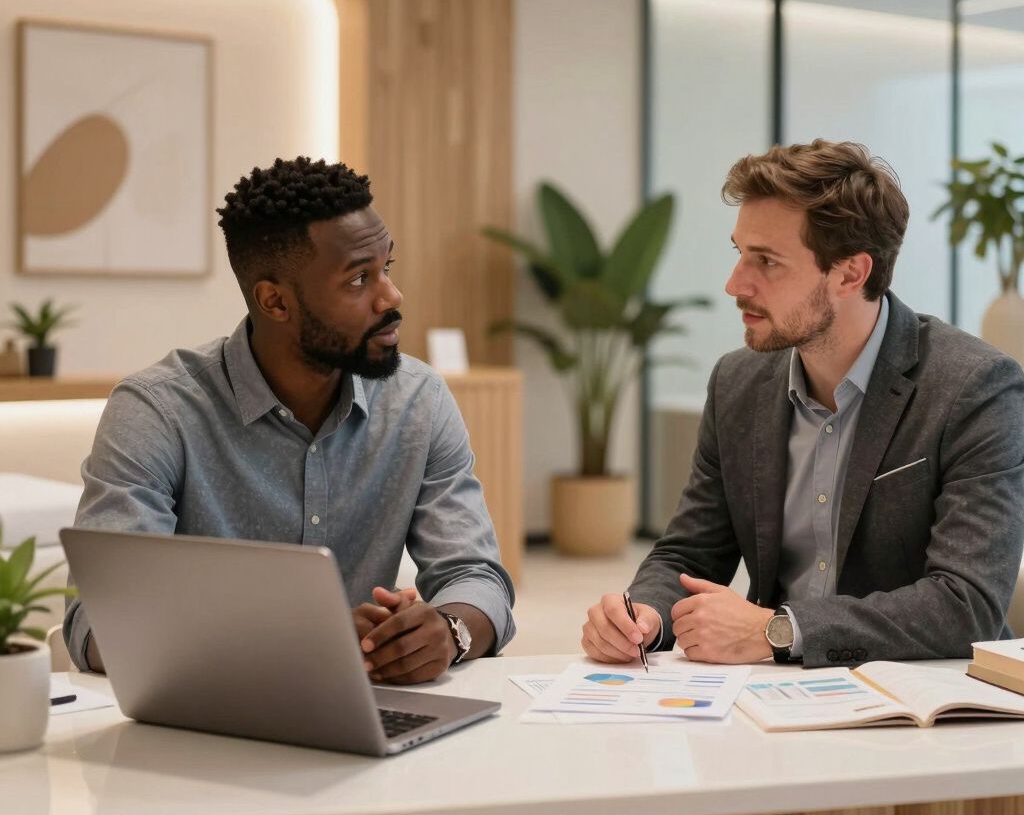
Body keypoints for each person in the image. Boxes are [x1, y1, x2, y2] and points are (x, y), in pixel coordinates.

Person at [64, 157, 515, 682]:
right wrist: (299, 643)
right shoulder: (157, 411)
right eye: (358, 279)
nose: (391, 297)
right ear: (275, 302)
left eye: (386, 267)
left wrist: (446, 632)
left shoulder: (418, 401)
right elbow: (99, 623)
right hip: (207, 726)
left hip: (371, 717)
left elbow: (476, 575)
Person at [582, 139, 1024, 668]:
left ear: (849, 274)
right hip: (777, 691)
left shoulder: (975, 387)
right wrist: (644, 617)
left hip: (925, 700)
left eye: (766, 261)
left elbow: (965, 604)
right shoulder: (737, 383)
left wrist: (779, 630)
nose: (734, 284)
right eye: (739, 253)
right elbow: (689, 553)